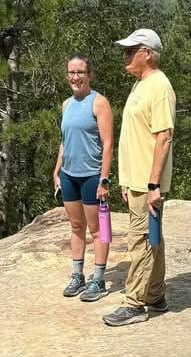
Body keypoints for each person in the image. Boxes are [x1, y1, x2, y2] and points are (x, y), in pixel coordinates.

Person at [103, 28, 176, 327]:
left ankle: (134, 304)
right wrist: (125, 179)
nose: (125, 55)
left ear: (147, 53)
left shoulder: (159, 86)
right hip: (136, 182)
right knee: (152, 239)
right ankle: (156, 297)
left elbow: (164, 136)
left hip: (148, 183)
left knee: (142, 241)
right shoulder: (141, 85)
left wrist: (153, 184)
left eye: (131, 50)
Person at [53, 54, 114, 302]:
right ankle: (78, 275)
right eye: (72, 72)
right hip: (69, 175)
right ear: (67, 75)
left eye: (80, 72)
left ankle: (98, 279)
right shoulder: (66, 105)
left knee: (98, 229)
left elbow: (108, 143)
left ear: (89, 74)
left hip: (91, 175)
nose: (76, 77)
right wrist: (57, 169)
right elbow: (64, 141)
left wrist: (104, 178)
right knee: (76, 226)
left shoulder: (99, 103)